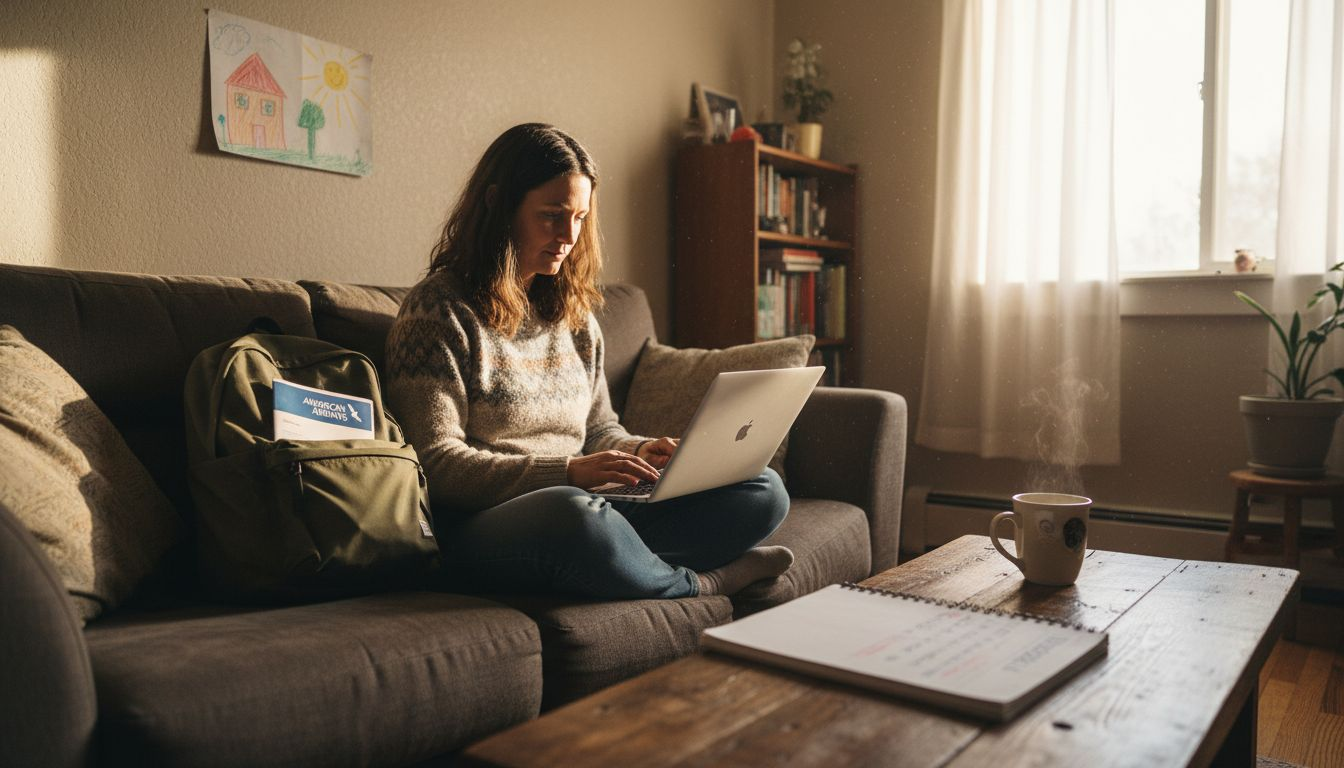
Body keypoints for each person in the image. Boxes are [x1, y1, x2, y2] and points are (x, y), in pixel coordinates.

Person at [385, 123, 793, 600]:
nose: (568, 236)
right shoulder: (436, 311)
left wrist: (640, 454)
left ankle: (625, 563)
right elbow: (436, 463)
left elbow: (599, 430)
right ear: (498, 205)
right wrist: (566, 473)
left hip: (588, 503)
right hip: (485, 522)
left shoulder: (574, 319)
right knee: (574, 516)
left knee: (760, 487)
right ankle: (704, 581)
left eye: (579, 218)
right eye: (552, 216)